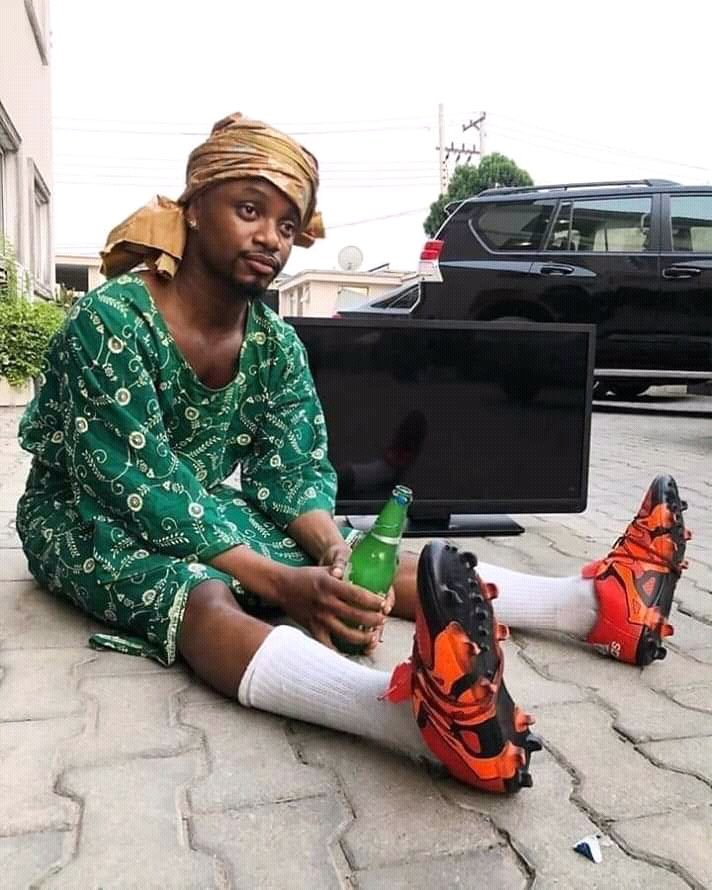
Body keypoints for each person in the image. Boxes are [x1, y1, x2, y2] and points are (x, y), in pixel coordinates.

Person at [16, 114, 690, 795]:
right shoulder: (110, 322)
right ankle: (412, 721)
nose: (270, 238)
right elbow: (139, 484)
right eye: (249, 210)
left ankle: (592, 606)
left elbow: (293, 468)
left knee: (351, 560)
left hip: (197, 506)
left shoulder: (273, 344)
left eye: (287, 225)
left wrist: (331, 551)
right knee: (200, 593)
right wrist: (281, 584)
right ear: (193, 209)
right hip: (82, 513)